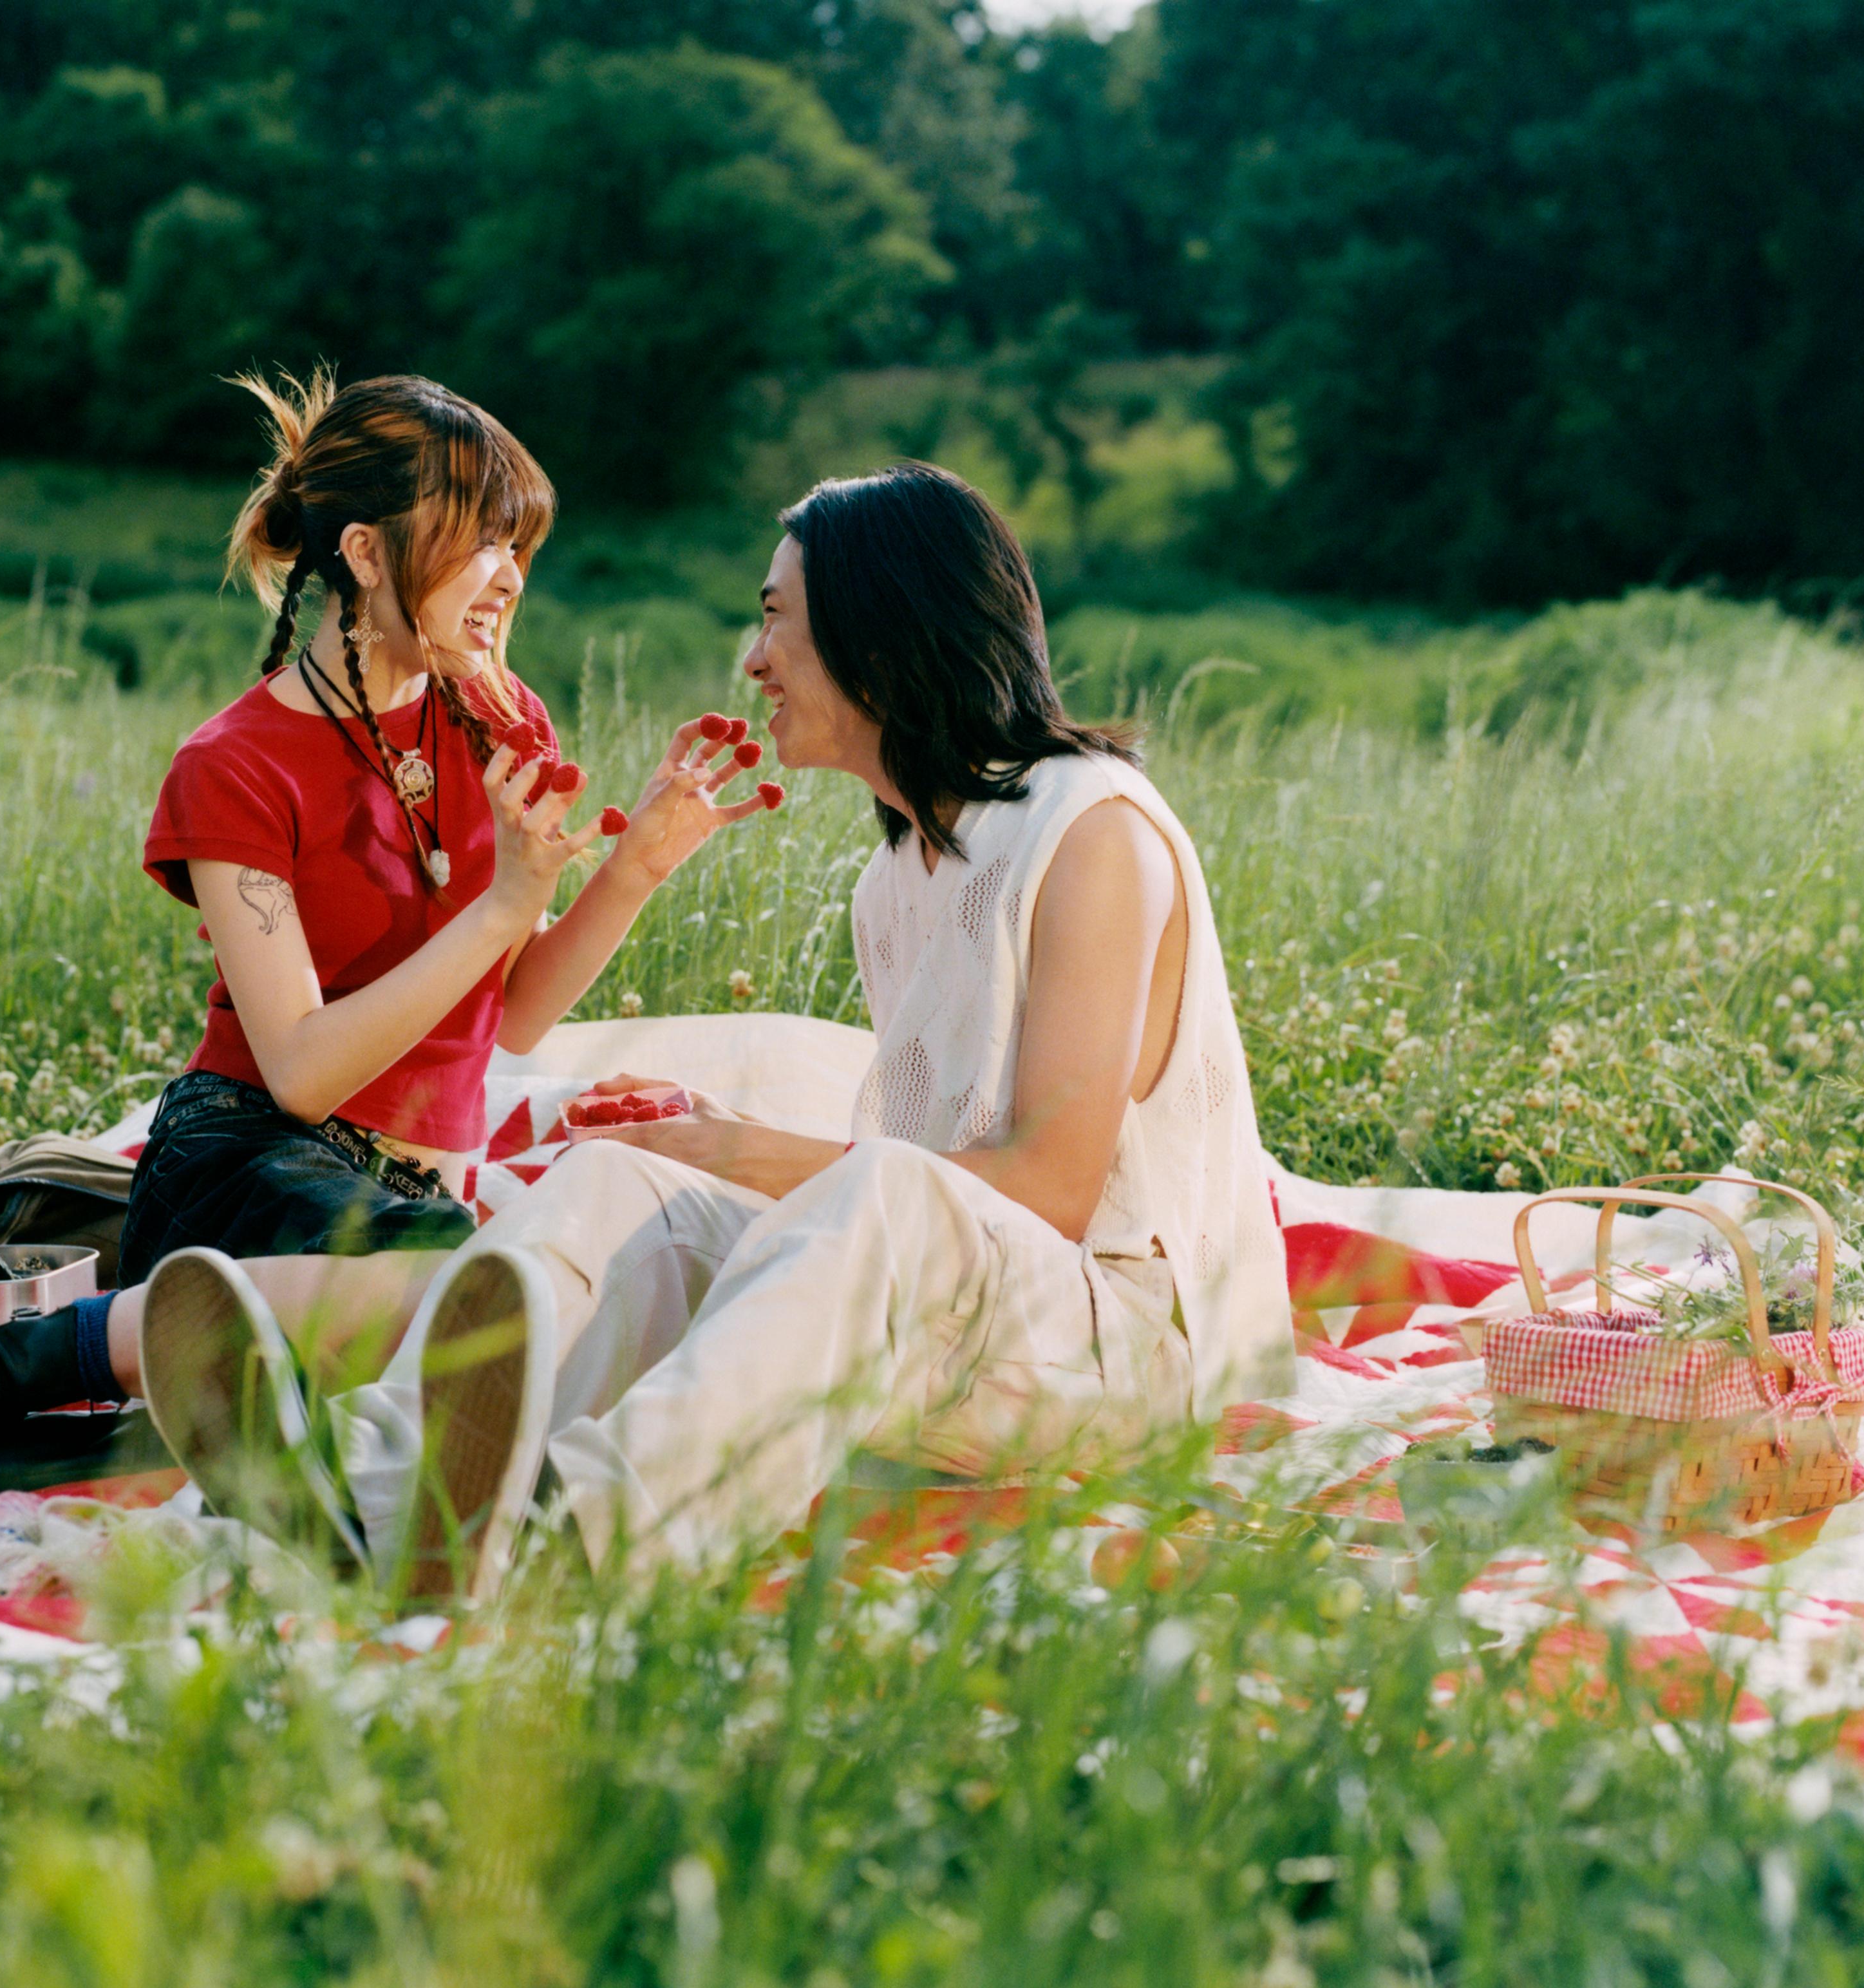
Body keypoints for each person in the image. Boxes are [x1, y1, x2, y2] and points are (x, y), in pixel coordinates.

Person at [151, 459, 1296, 1603]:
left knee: (871, 1198)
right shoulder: (897, 877)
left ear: (878, 629)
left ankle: (571, 1541)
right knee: (613, 1184)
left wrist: (753, 1153)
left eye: (774, 619)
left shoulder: (1093, 834)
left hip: (1128, 1356)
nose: (753, 663)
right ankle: (359, 1490)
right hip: (969, 1325)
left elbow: (1043, 1192)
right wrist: (707, 1153)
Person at [0, 371, 774, 1482]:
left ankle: (27, 1434)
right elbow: (301, 1072)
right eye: (483, 544)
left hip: (407, 1199)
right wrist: (504, 904)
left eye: (521, 547)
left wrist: (633, 870)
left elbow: (509, 1019)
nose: (512, 578)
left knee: (512, 1320)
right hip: (249, 1156)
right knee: (473, 1292)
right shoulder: (233, 765)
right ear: (368, 554)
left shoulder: (502, 722)